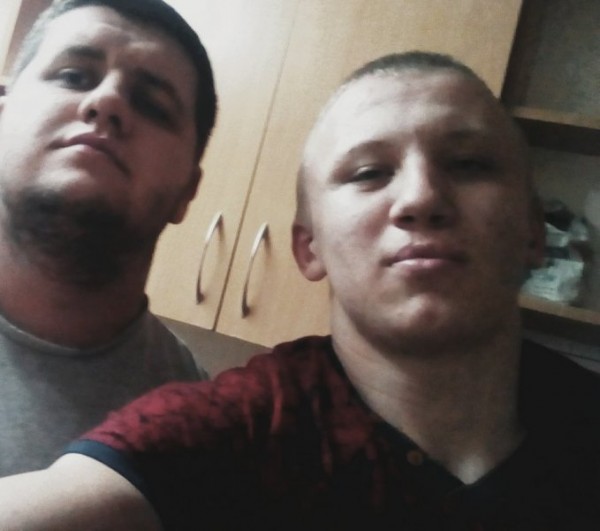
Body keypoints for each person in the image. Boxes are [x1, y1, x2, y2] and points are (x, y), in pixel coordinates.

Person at [1, 51, 600, 530]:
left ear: (533, 230)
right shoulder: (228, 432)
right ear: (308, 247)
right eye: (369, 173)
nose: (421, 197)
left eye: (468, 164)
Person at [0, 0, 216, 475]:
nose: (108, 101)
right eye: (74, 76)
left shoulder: (200, 431)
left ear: (187, 192)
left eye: (152, 105)